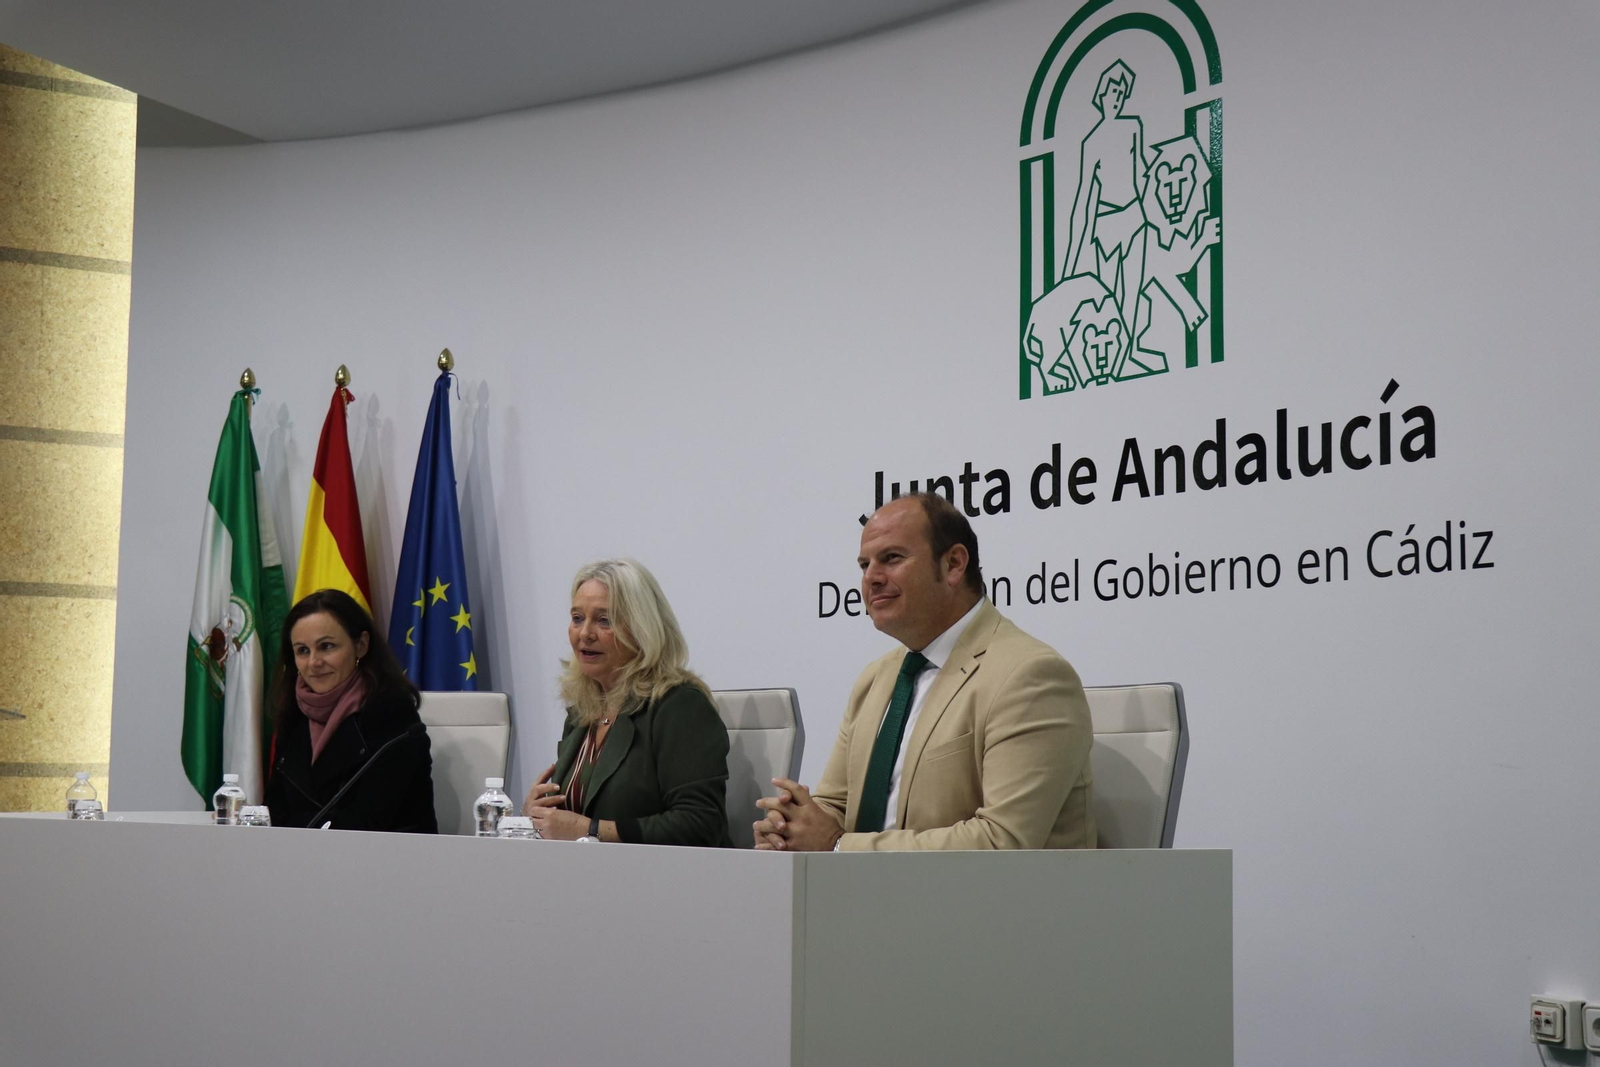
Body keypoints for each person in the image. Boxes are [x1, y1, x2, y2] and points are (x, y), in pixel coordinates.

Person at [755, 493, 1095, 851]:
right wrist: (787, 829)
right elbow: (835, 808)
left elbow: (1002, 842)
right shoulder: (875, 679)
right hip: (868, 899)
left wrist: (838, 847)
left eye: (891, 558)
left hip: (990, 905)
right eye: (863, 565)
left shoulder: (1030, 676)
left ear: (953, 564)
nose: (871, 578)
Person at [522, 559, 733, 847]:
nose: (585, 634)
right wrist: (534, 817)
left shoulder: (678, 706)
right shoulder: (583, 711)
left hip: (667, 881)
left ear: (642, 628)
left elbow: (700, 824)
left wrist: (591, 830)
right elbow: (570, 820)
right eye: (577, 618)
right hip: (589, 879)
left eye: (604, 620)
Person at [264, 589, 437, 832]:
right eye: (302, 650)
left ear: (361, 646)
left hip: (389, 863)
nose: (314, 662)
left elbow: (368, 822)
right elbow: (272, 814)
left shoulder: (393, 714)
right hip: (302, 861)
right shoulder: (294, 714)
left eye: (326, 646)